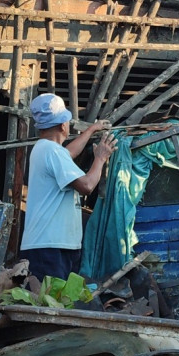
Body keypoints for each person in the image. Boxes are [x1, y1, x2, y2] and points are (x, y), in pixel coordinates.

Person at [19, 93, 116, 283]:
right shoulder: (52, 151)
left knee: (54, 304)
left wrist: (90, 131)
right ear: (64, 125)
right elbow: (87, 186)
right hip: (50, 247)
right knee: (51, 307)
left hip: (51, 245)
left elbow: (68, 153)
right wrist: (100, 158)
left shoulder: (45, 149)